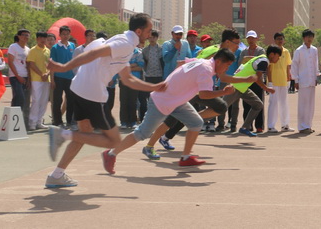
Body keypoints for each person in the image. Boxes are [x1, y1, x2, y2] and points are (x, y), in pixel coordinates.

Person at [44, 13, 166, 188]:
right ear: (138, 31)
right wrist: (64, 67)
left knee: (83, 135)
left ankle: (56, 175)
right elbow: (94, 53)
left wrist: (154, 87)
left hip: (79, 88)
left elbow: (127, 79)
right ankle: (62, 134)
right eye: (148, 31)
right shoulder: (124, 44)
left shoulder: (124, 42)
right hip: (93, 93)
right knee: (114, 141)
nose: (150, 34)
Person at [104, 49, 251, 173]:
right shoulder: (206, 70)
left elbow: (181, 64)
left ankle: (186, 158)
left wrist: (175, 83)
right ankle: (111, 153)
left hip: (175, 100)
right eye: (227, 65)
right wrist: (223, 93)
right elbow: (204, 95)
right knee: (142, 133)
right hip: (162, 101)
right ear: (218, 62)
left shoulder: (201, 62)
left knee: (196, 122)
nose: (227, 69)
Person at [155, 29, 244, 151]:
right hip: (193, 88)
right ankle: (153, 141)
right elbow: (183, 63)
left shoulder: (220, 53)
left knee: (215, 108)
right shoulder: (215, 52)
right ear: (228, 42)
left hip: (200, 88)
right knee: (176, 117)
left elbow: (221, 75)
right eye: (236, 43)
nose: (238, 46)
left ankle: (165, 137)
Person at [291, 29, 321, 134]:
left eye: (311, 37)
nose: (309, 39)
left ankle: (308, 125)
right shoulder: (299, 50)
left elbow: (315, 63)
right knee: (303, 105)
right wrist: (296, 80)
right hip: (302, 81)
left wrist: (316, 76)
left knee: (310, 105)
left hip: (312, 80)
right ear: (304, 38)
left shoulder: (314, 50)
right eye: (307, 37)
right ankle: (302, 126)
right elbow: (294, 65)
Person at [239, 30, 266, 133]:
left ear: (256, 39)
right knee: (246, 104)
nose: (251, 40)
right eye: (249, 38)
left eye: (252, 38)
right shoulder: (243, 51)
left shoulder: (261, 50)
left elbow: (261, 62)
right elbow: (241, 64)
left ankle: (259, 126)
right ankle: (247, 125)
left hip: (257, 80)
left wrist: (248, 60)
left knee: (259, 103)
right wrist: (252, 60)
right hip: (246, 81)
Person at [267, 32, 294, 133]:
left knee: (284, 103)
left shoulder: (286, 52)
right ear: (274, 40)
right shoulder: (271, 50)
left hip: (283, 81)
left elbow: (288, 66)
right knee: (273, 103)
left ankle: (285, 125)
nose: (280, 40)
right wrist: (270, 81)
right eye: (278, 39)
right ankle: (271, 126)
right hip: (274, 81)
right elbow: (268, 67)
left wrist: (288, 79)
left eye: (282, 39)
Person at [50, 26, 76, 127]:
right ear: (60, 35)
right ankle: (58, 121)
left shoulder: (72, 46)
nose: (65, 36)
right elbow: (52, 65)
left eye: (67, 34)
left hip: (70, 77)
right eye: (63, 34)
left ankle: (70, 121)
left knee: (71, 100)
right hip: (58, 77)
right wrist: (52, 80)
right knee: (57, 100)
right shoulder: (55, 48)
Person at [27, 32, 51, 131]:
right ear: (37, 39)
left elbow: (51, 64)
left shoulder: (48, 51)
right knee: (36, 100)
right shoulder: (33, 50)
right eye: (41, 38)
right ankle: (32, 122)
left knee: (44, 101)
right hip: (36, 79)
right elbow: (31, 64)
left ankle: (39, 121)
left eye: (44, 38)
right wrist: (42, 74)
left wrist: (47, 74)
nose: (43, 40)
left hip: (46, 79)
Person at [7, 29, 31, 126]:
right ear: (19, 36)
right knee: (19, 97)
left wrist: (29, 78)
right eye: (24, 35)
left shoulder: (28, 49)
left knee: (22, 99)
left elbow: (28, 65)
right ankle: (14, 120)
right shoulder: (13, 47)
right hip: (15, 76)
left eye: (27, 35)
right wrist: (18, 76)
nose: (26, 37)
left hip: (25, 76)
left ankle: (15, 120)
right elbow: (10, 62)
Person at [139, 29, 163, 121]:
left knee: (159, 97)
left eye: (154, 37)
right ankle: (149, 118)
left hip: (159, 76)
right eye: (150, 37)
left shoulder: (161, 49)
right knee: (149, 98)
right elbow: (144, 62)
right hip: (149, 76)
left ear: (157, 38)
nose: (152, 39)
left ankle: (159, 118)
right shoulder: (145, 50)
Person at [119, 46, 144, 129]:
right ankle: (124, 122)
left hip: (134, 80)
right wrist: (133, 65)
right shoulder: (122, 52)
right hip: (123, 79)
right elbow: (120, 67)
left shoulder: (138, 53)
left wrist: (127, 66)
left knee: (133, 102)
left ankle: (133, 121)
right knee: (124, 101)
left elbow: (140, 67)